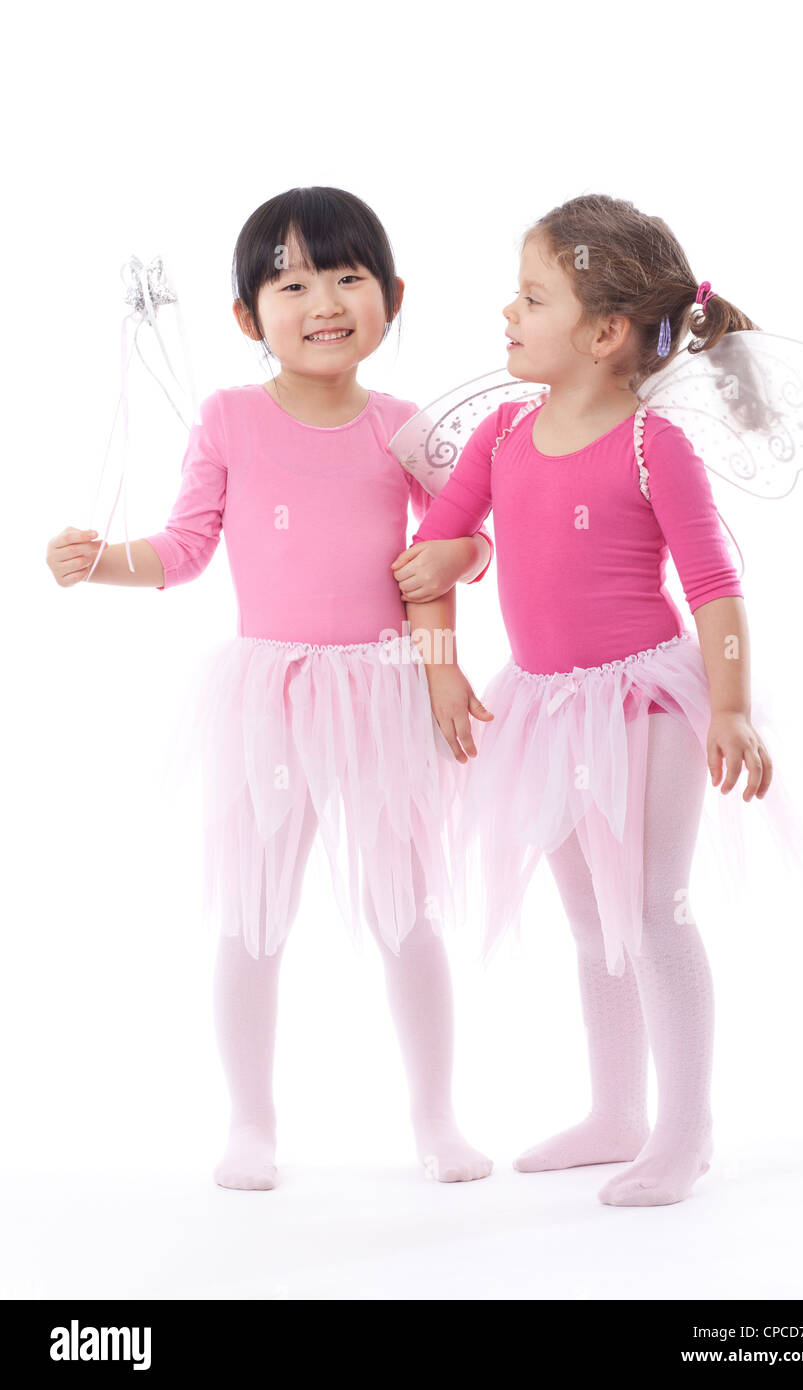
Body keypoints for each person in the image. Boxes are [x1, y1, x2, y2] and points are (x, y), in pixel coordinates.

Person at [45, 186, 495, 1191]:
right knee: (255, 911)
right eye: (291, 281)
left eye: (346, 276)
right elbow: (186, 547)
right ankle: (250, 1123)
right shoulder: (230, 418)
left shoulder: (406, 426)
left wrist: (456, 564)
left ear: (391, 296)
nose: (323, 300)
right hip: (272, 698)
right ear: (249, 317)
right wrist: (101, 560)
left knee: (405, 911)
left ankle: (435, 1117)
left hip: (385, 692)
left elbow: (468, 535)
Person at [392, 192, 780, 1207]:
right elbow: (432, 552)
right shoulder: (500, 435)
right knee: (588, 920)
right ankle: (615, 1110)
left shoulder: (655, 447)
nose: (506, 314)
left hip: (644, 705)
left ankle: (683, 1129)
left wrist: (729, 707)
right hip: (542, 707)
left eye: (530, 297)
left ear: (604, 332)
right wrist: (444, 648)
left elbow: (712, 588)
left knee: (652, 909)